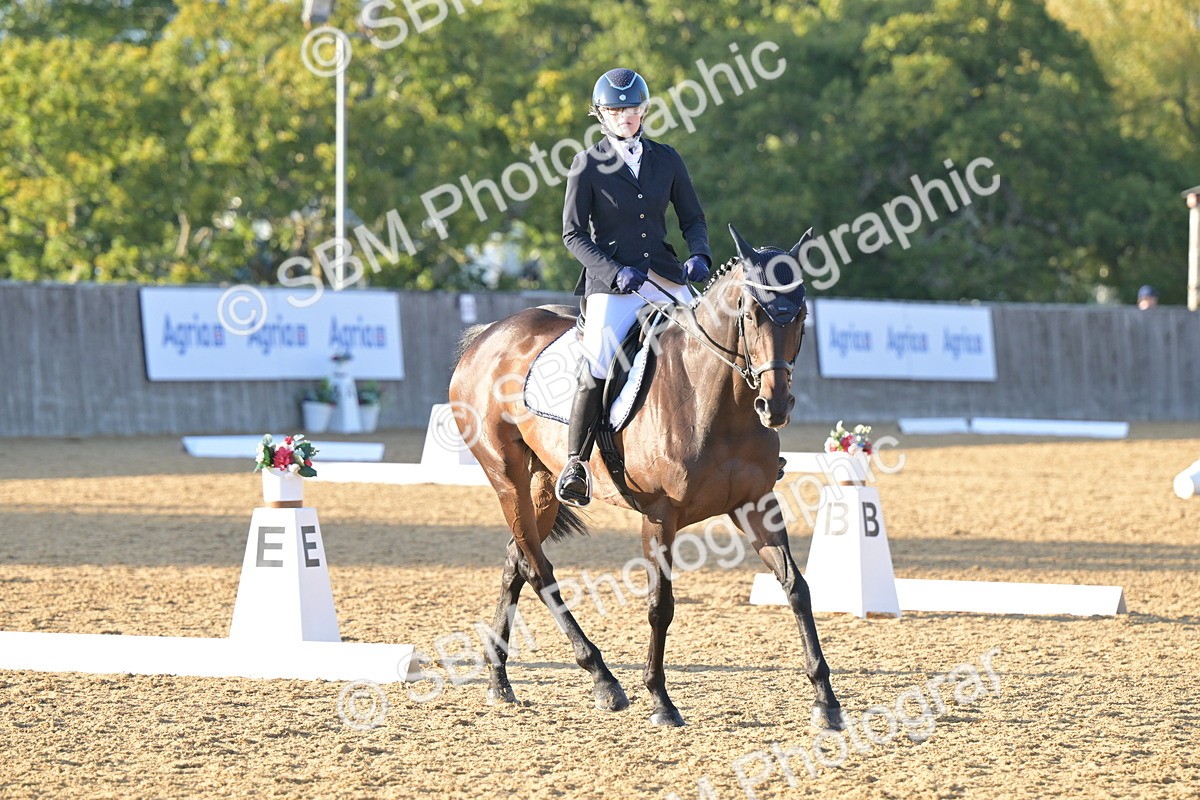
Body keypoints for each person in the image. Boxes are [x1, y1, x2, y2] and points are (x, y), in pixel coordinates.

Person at [556, 67, 712, 507]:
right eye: (615, 110)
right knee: (599, 362)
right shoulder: (586, 164)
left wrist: (699, 254)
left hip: (665, 276)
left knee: (717, 338)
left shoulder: (667, 158)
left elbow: (692, 219)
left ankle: (740, 440)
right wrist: (611, 272)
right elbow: (572, 234)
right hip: (612, 286)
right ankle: (575, 463)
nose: (625, 116)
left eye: (632, 109)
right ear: (601, 114)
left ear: (644, 110)